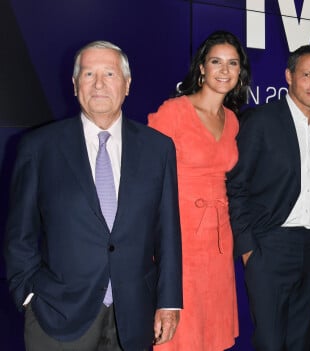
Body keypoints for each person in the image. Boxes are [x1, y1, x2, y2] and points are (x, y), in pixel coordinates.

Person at [3, 40, 182, 351]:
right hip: (56, 315)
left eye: (110, 74)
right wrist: (29, 295)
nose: (99, 84)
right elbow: (20, 233)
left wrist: (169, 302)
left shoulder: (158, 148)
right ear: (74, 85)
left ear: (127, 84)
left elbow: (167, 232)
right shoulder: (39, 147)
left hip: (134, 316)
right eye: (88, 74)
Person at [148, 30, 251, 350]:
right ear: (202, 68)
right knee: (179, 333)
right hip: (179, 236)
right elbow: (147, 180)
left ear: (240, 72)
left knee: (211, 332)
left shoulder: (232, 120)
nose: (224, 70)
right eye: (216, 62)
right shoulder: (173, 112)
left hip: (219, 240)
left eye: (232, 63)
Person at [226, 45, 310, 351]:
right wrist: (248, 250)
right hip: (270, 247)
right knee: (270, 343)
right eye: (307, 74)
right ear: (289, 76)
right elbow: (235, 186)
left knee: (300, 341)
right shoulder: (261, 120)